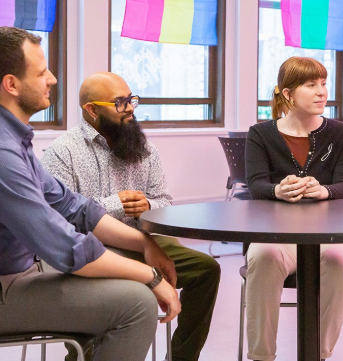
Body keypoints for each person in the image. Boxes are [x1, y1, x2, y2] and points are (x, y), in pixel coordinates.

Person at [0, 27, 181, 361]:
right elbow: (64, 244)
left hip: (24, 271)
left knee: (136, 284)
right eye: (41, 73)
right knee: (137, 304)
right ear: (11, 85)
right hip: (8, 286)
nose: (52, 79)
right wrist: (151, 275)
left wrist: (144, 244)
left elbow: (74, 207)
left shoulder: (13, 139)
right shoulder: (4, 152)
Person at [41, 71, 221, 361]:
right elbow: (56, 217)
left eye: (131, 99)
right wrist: (116, 204)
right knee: (117, 295)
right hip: (89, 252)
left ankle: (182, 357)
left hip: (141, 243)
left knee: (206, 269)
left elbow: (165, 200)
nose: (130, 109)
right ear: (92, 109)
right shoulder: (62, 152)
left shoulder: (145, 149)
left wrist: (149, 204)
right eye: (120, 103)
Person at [244, 57, 343, 361]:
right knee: (262, 256)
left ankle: (317, 355)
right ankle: (261, 357)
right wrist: (276, 190)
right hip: (277, 235)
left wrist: (324, 190)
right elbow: (255, 185)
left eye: (323, 83)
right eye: (311, 85)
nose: (322, 91)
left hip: (333, 235)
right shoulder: (260, 134)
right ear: (288, 93)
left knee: (339, 259)